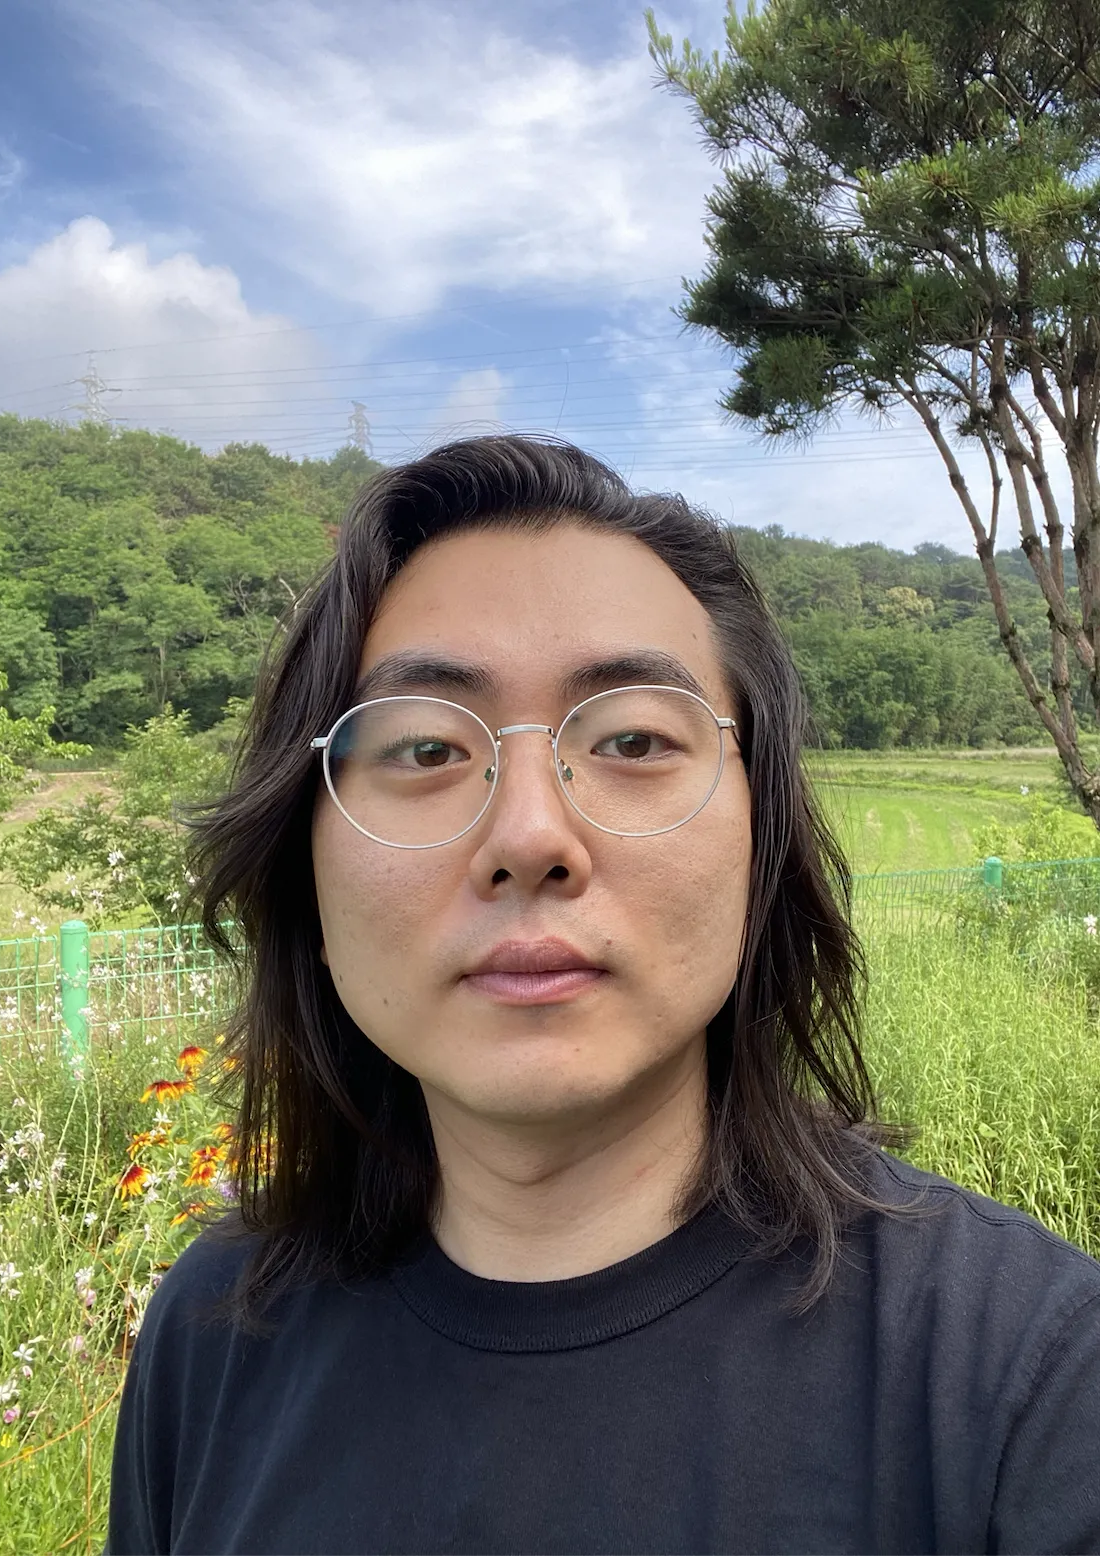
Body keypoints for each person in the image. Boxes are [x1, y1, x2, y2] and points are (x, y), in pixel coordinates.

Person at [104, 434, 1100, 1556]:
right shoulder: (215, 1328)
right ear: (305, 859)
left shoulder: (1032, 1380)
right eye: (426, 745)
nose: (530, 835)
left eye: (633, 737)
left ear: (760, 842)